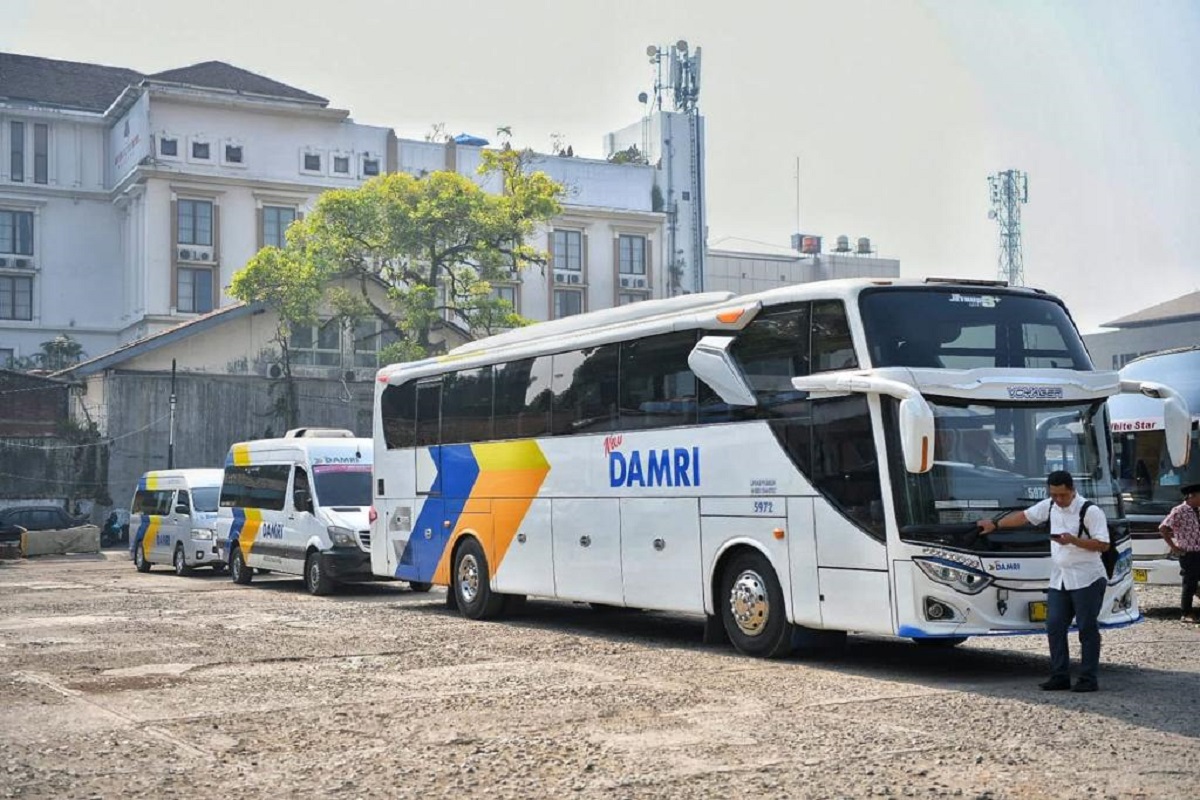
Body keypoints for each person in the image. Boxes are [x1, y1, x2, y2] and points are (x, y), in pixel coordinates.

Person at [977, 470, 1110, 693]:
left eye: (1063, 495)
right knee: (1055, 625)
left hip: (1088, 578)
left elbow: (1103, 544)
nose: (1058, 500)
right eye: (1054, 495)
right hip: (1060, 579)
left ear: (1072, 490)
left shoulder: (1090, 511)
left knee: (1087, 628)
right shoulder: (1049, 506)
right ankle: (1060, 675)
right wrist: (996, 524)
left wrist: (1074, 541)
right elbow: (1024, 516)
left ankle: (1088, 678)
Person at [1158, 482, 1200, 622]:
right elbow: (1163, 528)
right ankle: (1186, 613)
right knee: (1190, 582)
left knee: (1194, 582)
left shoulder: (1198, 510)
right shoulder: (1179, 510)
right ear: (1192, 496)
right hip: (1188, 553)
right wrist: (1174, 547)